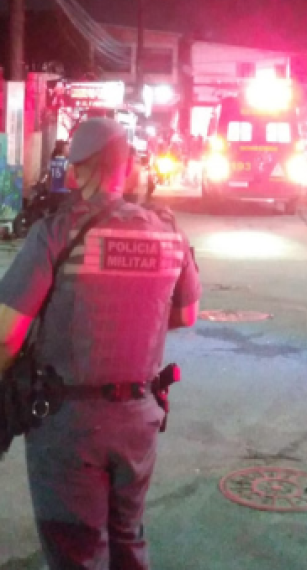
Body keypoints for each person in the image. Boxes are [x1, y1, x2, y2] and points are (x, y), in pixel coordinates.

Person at [0, 117, 201, 568]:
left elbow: (5, 336)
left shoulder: (56, 232)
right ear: (128, 168)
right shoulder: (168, 232)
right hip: (140, 421)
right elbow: (185, 314)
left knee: (76, 551)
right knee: (128, 539)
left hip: (67, 427)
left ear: (75, 169)